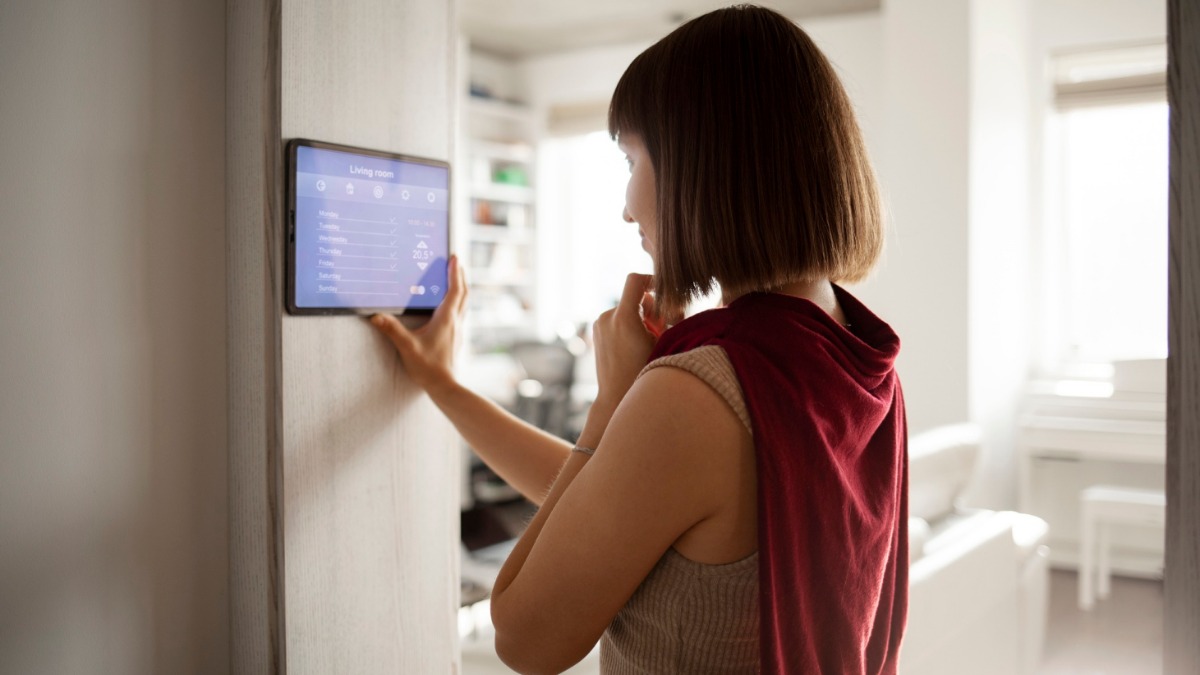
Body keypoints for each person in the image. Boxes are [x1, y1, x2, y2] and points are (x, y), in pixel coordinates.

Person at [371, 5, 907, 673]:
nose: (627, 203)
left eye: (632, 159)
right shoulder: (847, 351)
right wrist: (442, 385)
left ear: (703, 166)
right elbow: (611, 501)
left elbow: (522, 637)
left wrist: (612, 402)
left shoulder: (698, 393)